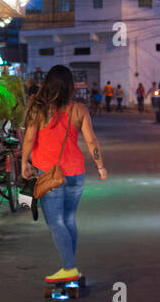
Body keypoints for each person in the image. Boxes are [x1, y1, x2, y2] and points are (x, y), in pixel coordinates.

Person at [20, 64, 108, 283]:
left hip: (50, 174)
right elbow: (91, 140)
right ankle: (70, 265)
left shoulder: (38, 109)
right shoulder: (79, 109)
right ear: (70, 86)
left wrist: (24, 161)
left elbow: (29, 138)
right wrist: (100, 166)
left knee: (55, 221)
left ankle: (69, 268)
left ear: (48, 83)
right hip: (75, 173)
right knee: (68, 218)